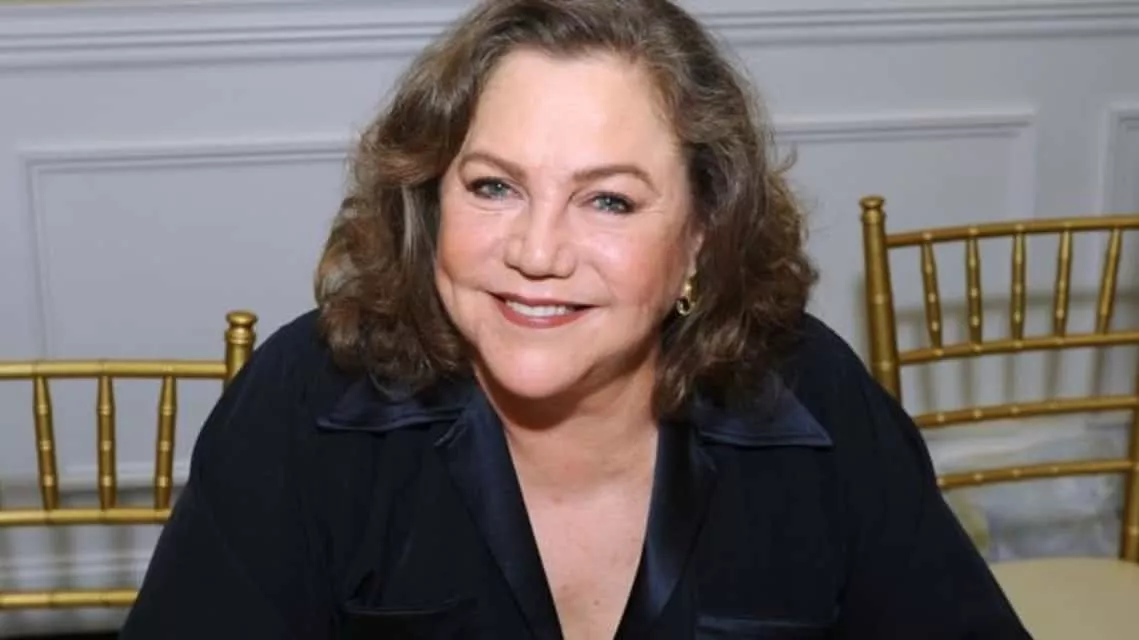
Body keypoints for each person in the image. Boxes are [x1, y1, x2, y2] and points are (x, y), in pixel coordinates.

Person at [121, 0, 1031, 638]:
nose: (537, 250)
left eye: (609, 201)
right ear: (430, 201)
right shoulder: (308, 401)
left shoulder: (804, 395)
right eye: (494, 187)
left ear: (700, 238)